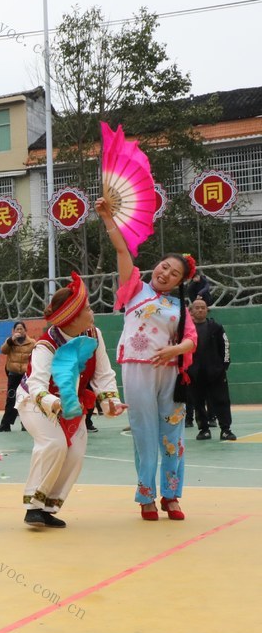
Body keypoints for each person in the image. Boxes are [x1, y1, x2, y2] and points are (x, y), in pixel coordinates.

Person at [96, 197, 197, 521]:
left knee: (173, 437)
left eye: (174, 273)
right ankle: (146, 497)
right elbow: (123, 251)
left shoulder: (181, 308)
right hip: (137, 369)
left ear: (180, 282)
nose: (166, 273)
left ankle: (171, 496)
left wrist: (174, 350)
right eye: (165, 266)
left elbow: (191, 340)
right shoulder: (134, 287)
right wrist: (108, 217)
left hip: (170, 374)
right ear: (157, 267)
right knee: (144, 434)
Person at [17, 274, 126, 528]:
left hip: (71, 402)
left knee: (75, 451)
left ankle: (48, 506)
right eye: (87, 308)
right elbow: (36, 386)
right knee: (54, 443)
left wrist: (111, 401)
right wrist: (55, 405)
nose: (92, 311)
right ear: (72, 318)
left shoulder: (94, 335)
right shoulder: (46, 346)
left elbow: (103, 373)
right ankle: (33, 505)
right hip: (35, 402)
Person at [188, 297, 236, 441]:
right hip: (195, 374)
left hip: (216, 373)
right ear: (191, 311)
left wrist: (223, 367)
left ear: (207, 310)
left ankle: (226, 430)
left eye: (203, 307)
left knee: (222, 400)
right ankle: (203, 430)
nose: (200, 309)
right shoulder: (186, 330)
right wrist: (186, 369)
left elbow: (225, 346)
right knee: (198, 402)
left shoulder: (216, 327)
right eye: (197, 307)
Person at [0, 321, 36, 432]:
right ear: (13, 331)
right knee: (11, 399)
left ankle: (26, 424)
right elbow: (3, 350)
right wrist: (10, 341)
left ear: (25, 331)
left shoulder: (32, 343)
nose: (19, 331)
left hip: (25, 376)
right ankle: (6, 424)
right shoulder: (10, 342)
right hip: (13, 374)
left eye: (21, 329)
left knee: (25, 400)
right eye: (17, 329)